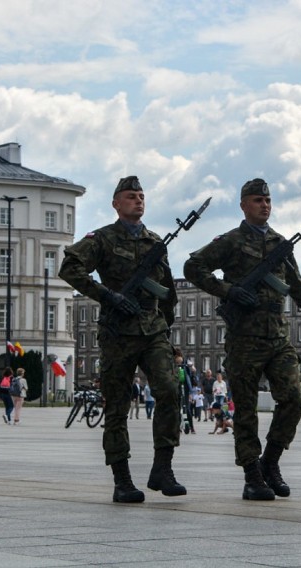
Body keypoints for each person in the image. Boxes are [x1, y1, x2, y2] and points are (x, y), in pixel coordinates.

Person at [184, 177, 301, 501]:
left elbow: (297, 285)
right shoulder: (229, 241)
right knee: (245, 410)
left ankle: (270, 461)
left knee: (293, 399)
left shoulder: (281, 244)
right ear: (244, 205)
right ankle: (252, 475)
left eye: (268, 201)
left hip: (277, 335)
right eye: (258, 200)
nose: (265, 205)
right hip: (244, 336)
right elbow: (193, 266)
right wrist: (229, 290)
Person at [59, 175, 185, 503]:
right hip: (118, 333)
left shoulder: (155, 241)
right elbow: (70, 268)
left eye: (141, 196)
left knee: (170, 391)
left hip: (153, 329)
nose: (138, 200)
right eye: (131, 196)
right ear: (116, 203)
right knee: (116, 406)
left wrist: (166, 329)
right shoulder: (101, 238)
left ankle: (163, 467)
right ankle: (122, 479)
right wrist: (108, 296)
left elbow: (168, 291)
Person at [174, 349, 195, 434]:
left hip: (186, 388)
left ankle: (191, 427)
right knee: (177, 408)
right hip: (176, 387)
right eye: (177, 362)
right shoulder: (172, 363)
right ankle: (177, 427)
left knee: (188, 409)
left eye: (180, 361)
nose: (179, 363)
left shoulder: (186, 362)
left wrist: (192, 367)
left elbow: (192, 368)